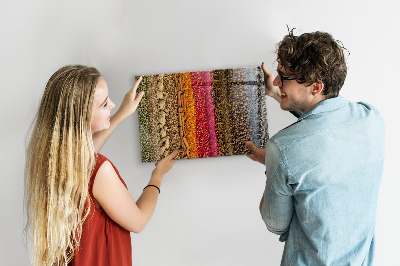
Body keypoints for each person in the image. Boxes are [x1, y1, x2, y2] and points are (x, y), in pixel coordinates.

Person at [245, 31, 385, 265]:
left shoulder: (282, 149)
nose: (277, 81)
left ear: (316, 86)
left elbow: (274, 224)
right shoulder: (371, 118)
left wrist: (274, 163)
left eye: (283, 77)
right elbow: (324, 125)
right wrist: (275, 93)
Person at [24, 65, 178, 266]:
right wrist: (157, 175)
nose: (113, 104)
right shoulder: (99, 170)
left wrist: (122, 113)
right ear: (82, 117)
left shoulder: (53, 160)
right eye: (105, 104)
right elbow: (138, 221)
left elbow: (86, 157)